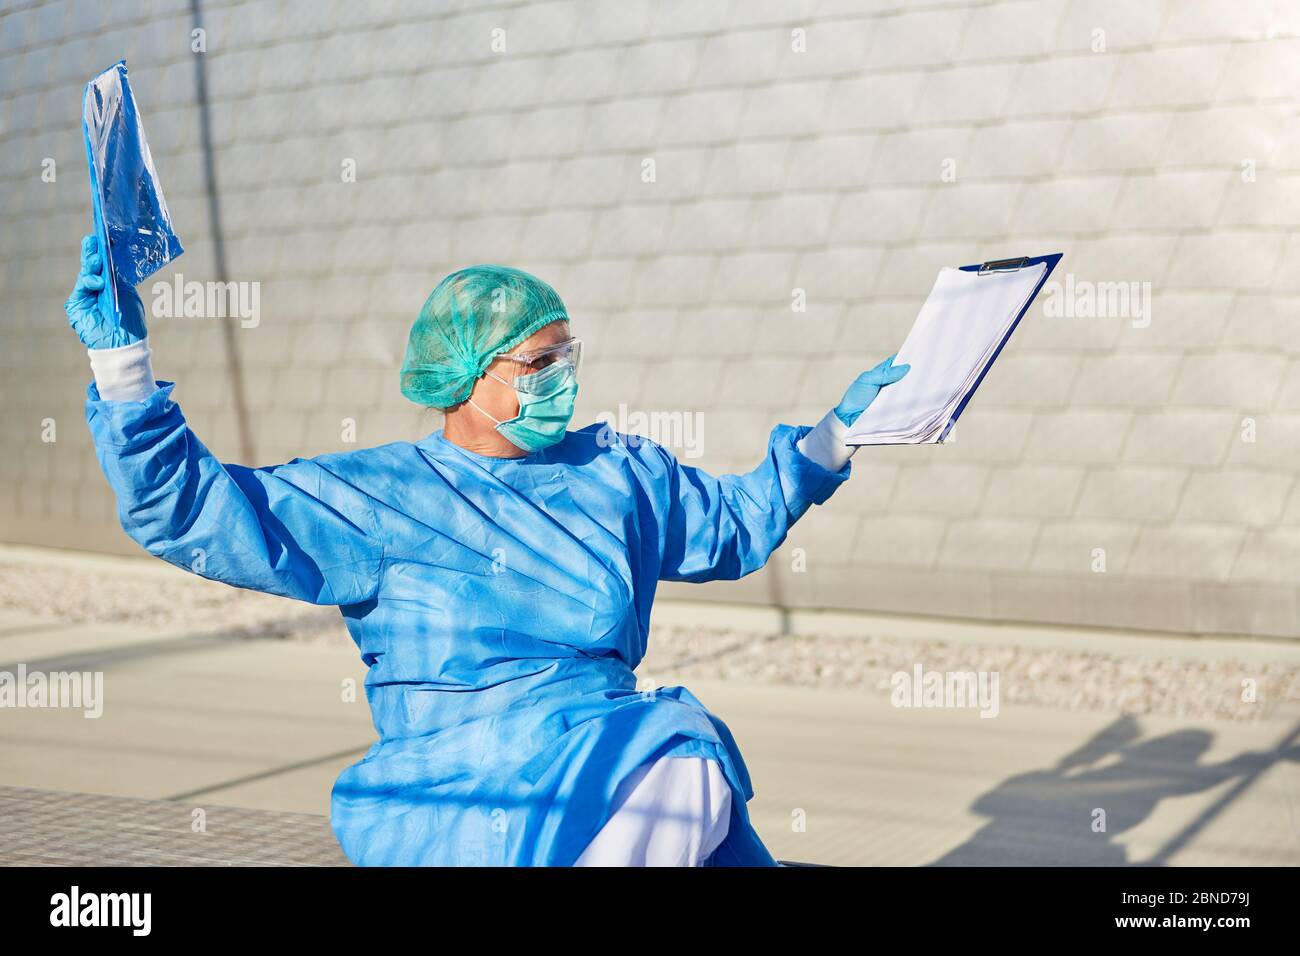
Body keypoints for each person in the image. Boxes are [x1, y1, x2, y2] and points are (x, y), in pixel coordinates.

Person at [66, 234, 909, 866]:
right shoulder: (382, 497)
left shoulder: (615, 473)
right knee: (679, 752)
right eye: (541, 362)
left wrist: (837, 436)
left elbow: (734, 522)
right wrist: (123, 368)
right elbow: (192, 509)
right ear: (469, 377)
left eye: (568, 356)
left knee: (682, 758)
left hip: (604, 749)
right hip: (457, 786)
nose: (564, 377)